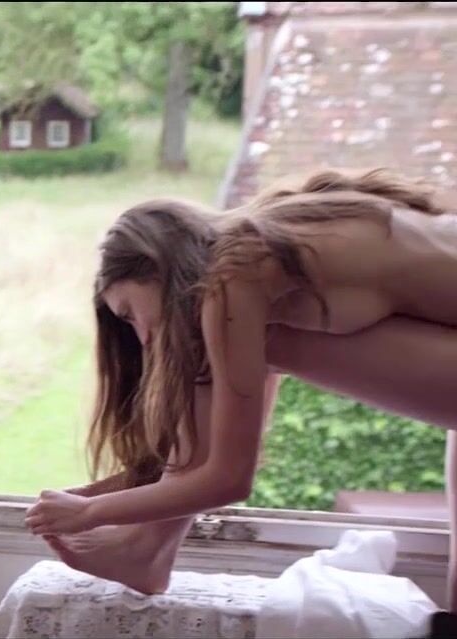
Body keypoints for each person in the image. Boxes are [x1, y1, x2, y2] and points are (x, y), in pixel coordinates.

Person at [24, 168, 457, 608]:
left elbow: (229, 479)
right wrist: (111, 494)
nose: (144, 339)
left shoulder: (235, 275)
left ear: (156, 266)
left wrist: (90, 513)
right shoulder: (272, 235)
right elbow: (223, 441)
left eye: (129, 314)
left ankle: (145, 547)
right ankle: (145, 546)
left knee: (214, 343)